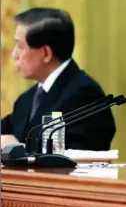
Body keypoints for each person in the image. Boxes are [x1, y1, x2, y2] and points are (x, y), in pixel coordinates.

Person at [1, 8, 116, 150]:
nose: (14, 54)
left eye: (20, 46)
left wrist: (17, 149)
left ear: (45, 53)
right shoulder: (27, 99)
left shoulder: (86, 95)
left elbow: (74, 155)